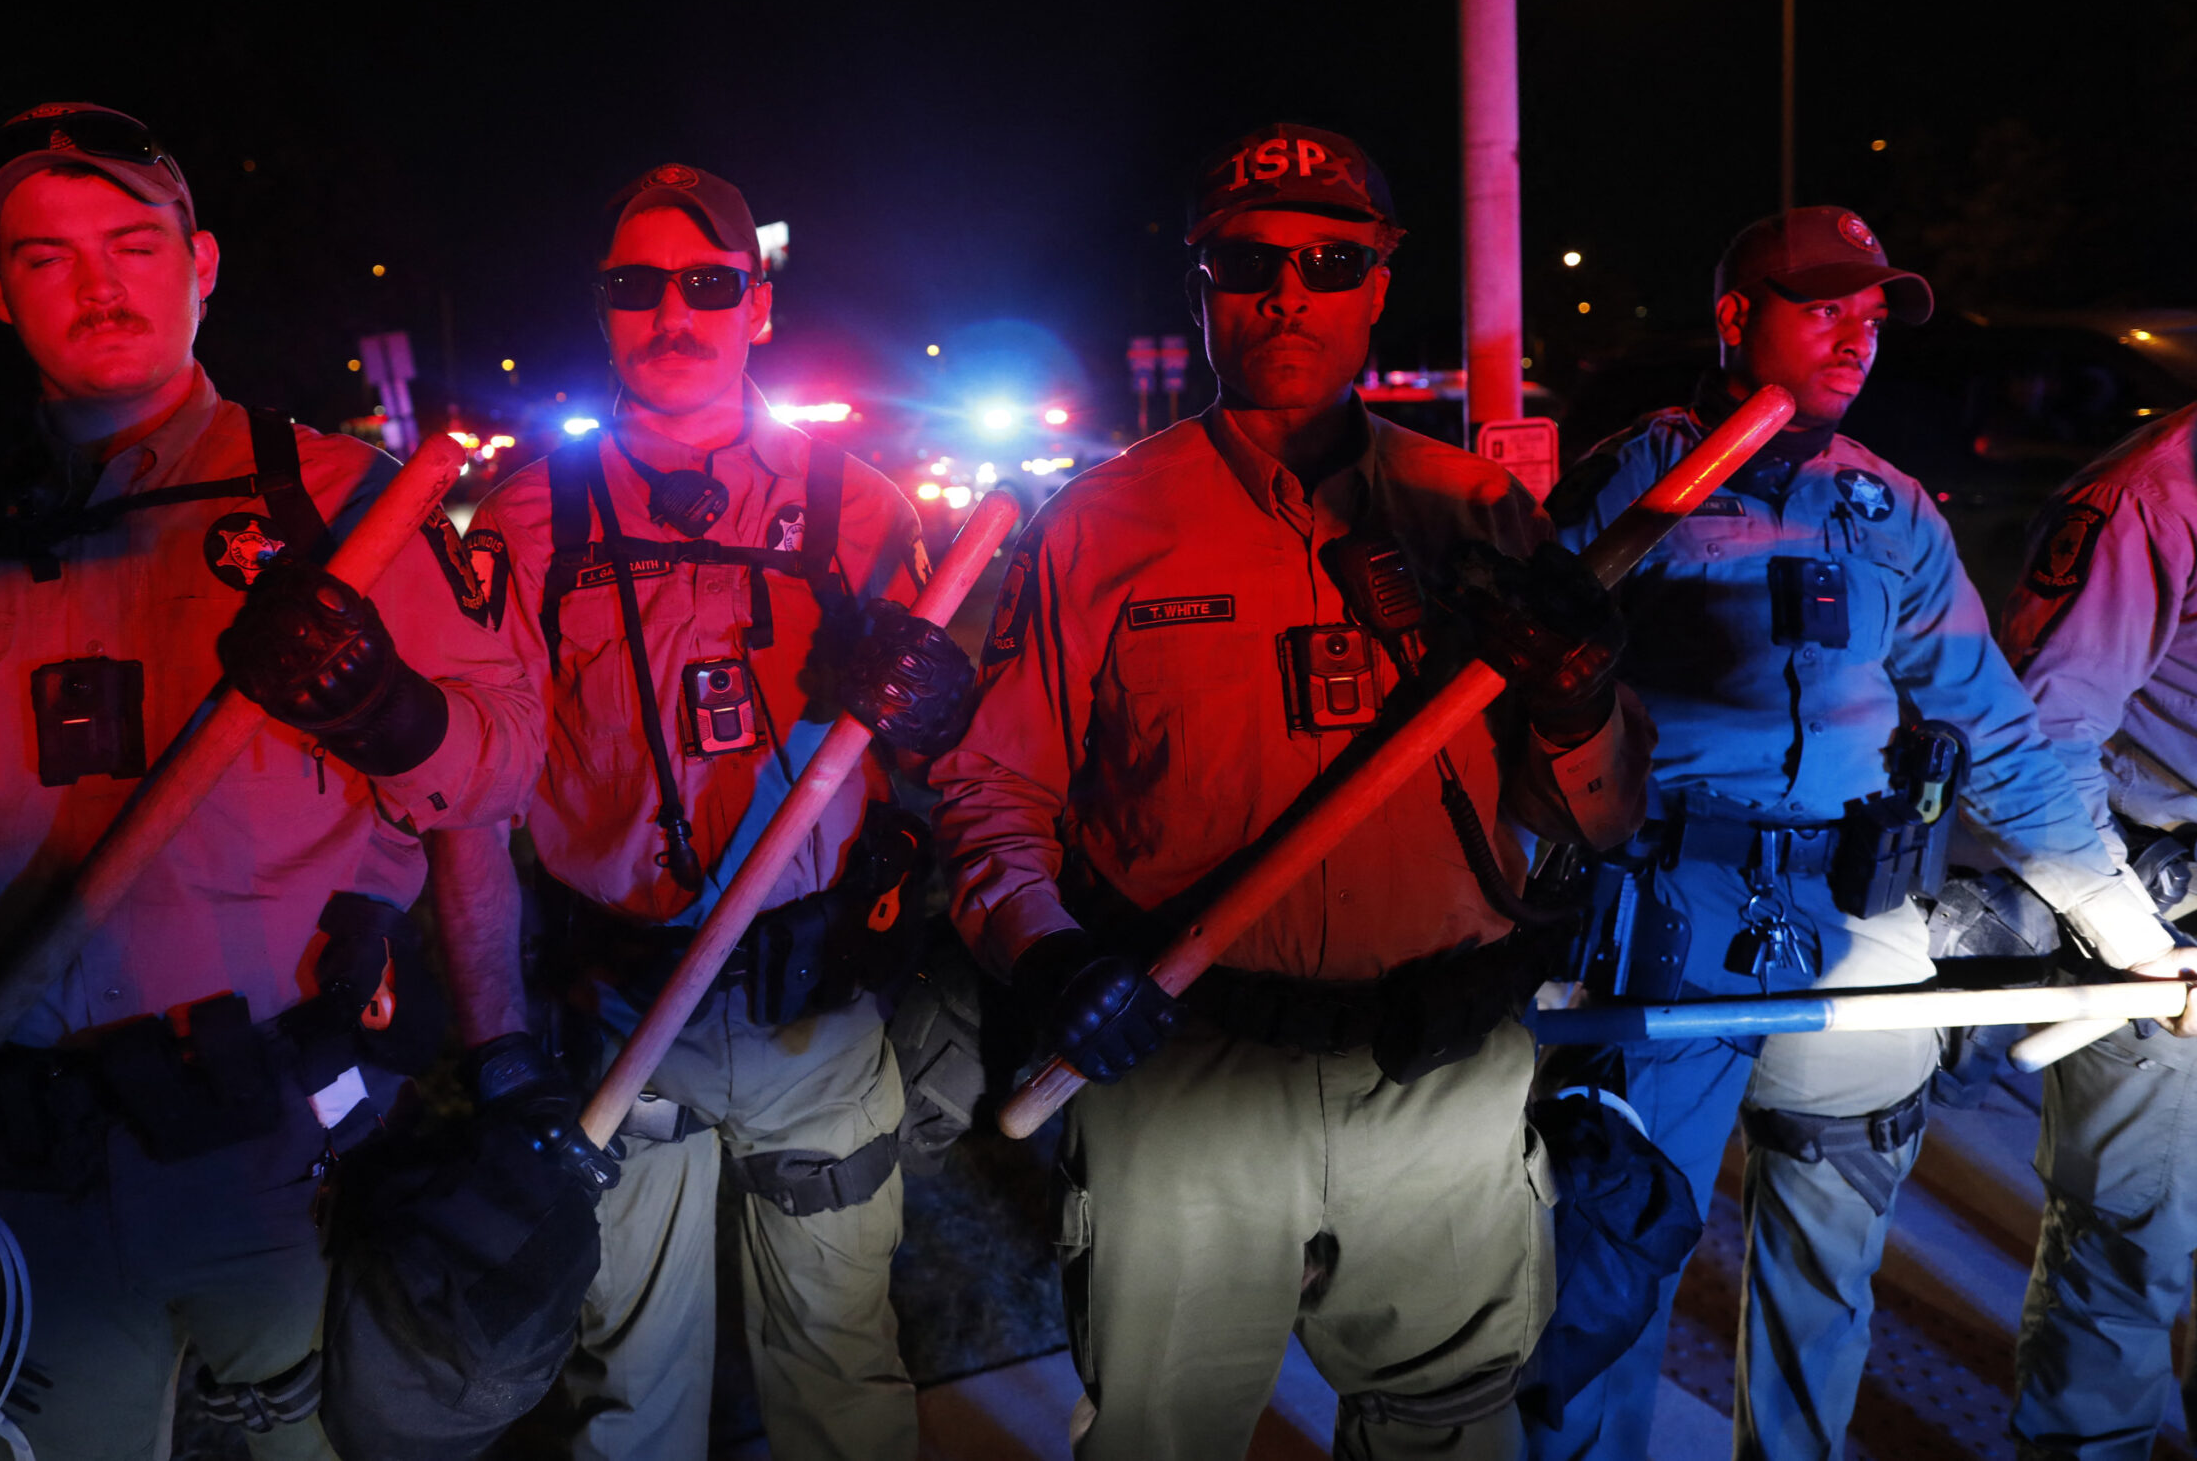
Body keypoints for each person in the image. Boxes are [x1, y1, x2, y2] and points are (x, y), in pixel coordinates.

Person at [0, 103, 540, 1461]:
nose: (100, 279)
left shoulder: (335, 503)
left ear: (202, 261)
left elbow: (501, 754)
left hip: (280, 1147)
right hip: (20, 1147)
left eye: (133, 240)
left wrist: (384, 706)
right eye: (47, 255)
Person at [930, 123, 1655, 1461]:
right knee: (1161, 1434)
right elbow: (989, 794)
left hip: (1440, 1077)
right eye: (1249, 260)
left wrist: (1575, 704)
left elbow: (1598, 818)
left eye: (1331, 259)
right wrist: (1051, 954)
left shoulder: (1478, 511)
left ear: (1379, 281)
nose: (1289, 289)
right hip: (1188, 1075)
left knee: (1448, 1424)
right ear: (1199, 285)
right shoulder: (1096, 523)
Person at [1527, 207, 2197, 1461]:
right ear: (1738, 317)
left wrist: (2121, 929)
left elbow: (2003, 737)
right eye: (1822, 306)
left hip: (1855, 923)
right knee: (1610, 1278)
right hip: (1672, 917)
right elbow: (1518, 710)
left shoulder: (1889, 513)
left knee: (1825, 1284)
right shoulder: (1636, 484)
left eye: (1872, 314)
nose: (1856, 337)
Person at [454, 162, 970, 1461]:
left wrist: (943, 703)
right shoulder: (529, 513)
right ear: (601, 304)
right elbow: (467, 799)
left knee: (843, 1374)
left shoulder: (862, 507)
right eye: (637, 287)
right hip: (621, 1021)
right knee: (627, 1386)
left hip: (819, 1025)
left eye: (707, 283)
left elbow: (952, 762)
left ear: (757, 304)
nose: (672, 312)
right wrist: (497, 1041)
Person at [1999, 403, 2197, 1458]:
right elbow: (2037, 735)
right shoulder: (2149, 499)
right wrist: (2131, 938)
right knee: (2128, 1257)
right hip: (2166, 930)